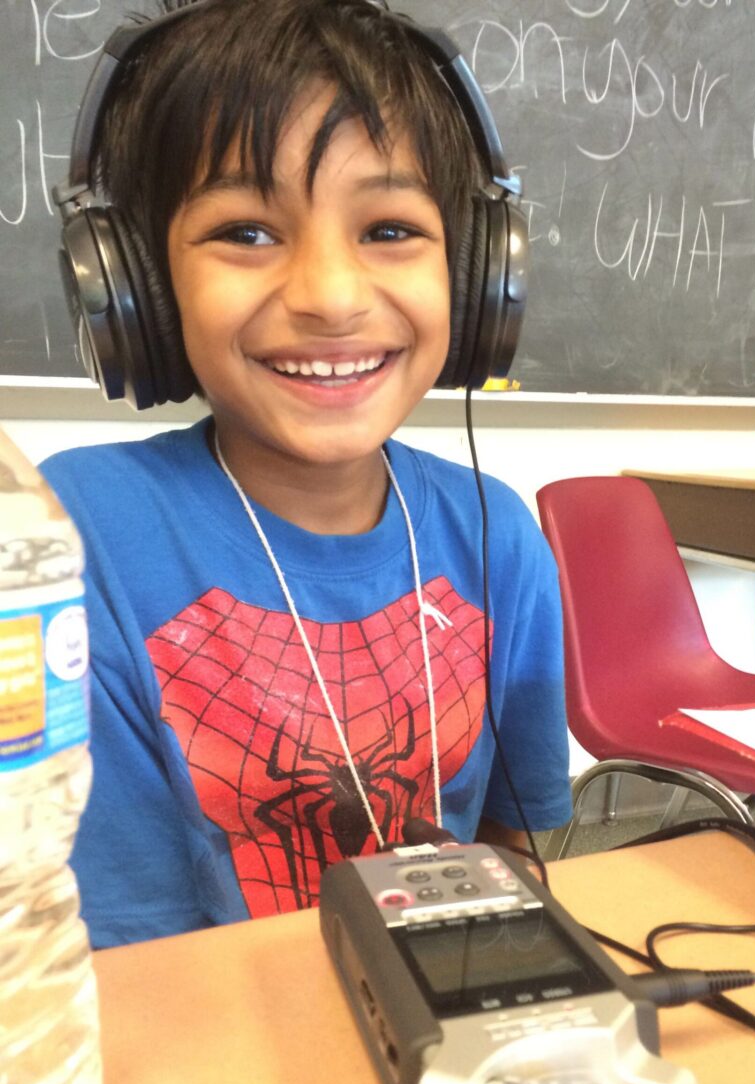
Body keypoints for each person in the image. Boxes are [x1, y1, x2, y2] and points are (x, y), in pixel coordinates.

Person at [41, 0, 572, 949]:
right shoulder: (83, 533)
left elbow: (513, 851)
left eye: (390, 229)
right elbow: (117, 948)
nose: (329, 296)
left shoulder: (497, 536)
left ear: (480, 274)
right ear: (138, 290)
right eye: (246, 232)